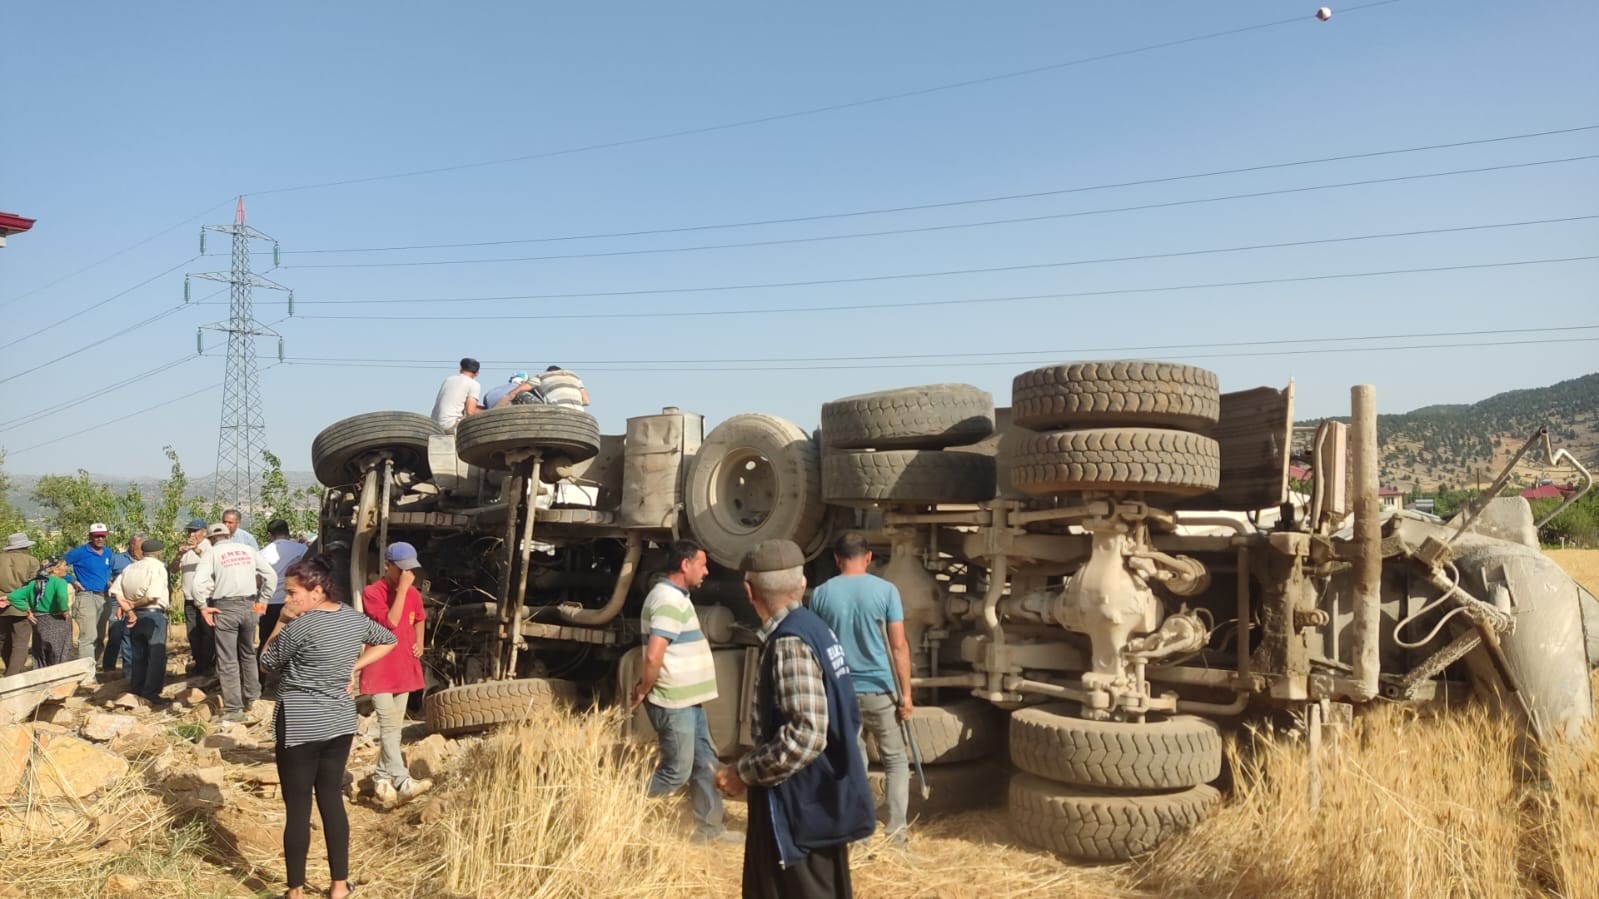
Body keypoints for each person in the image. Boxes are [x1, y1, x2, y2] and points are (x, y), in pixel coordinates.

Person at [715, 540, 875, 899]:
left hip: (799, 814)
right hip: (818, 807)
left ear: (749, 590)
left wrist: (743, 772)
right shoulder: (816, 630)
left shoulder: (790, 642)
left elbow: (807, 734)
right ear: (802, 585)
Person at [260, 555, 397, 899]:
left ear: (316, 590)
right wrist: (354, 667)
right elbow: (387, 640)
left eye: (292, 592)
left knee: (298, 808)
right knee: (332, 800)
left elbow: (266, 661)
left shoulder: (300, 627)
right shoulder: (353, 618)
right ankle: (339, 885)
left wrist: (280, 621)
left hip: (300, 725)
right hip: (339, 722)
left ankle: (295, 890)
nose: (289, 599)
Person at [808, 531, 914, 847]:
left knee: (853, 764)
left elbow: (815, 645)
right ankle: (897, 835)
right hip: (882, 690)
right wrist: (906, 695)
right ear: (868, 557)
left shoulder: (821, 594)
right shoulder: (887, 591)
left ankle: (858, 837)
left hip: (841, 693)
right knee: (895, 761)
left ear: (837, 559)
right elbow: (899, 647)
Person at [628, 539, 732, 843]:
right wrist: (644, 688)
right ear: (685, 565)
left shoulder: (676, 596)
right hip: (674, 702)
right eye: (702, 563)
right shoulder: (667, 601)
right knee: (677, 771)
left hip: (688, 700)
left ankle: (710, 831)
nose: (706, 570)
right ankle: (618, 807)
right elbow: (653, 655)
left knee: (706, 764)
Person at [358, 542, 431, 807]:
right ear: (387, 566)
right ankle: (402, 781)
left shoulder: (412, 593)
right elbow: (389, 623)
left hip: (403, 666)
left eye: (410, 570)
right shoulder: (372, 592)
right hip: (379, 668)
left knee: (394, 728)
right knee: (388, 726)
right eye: (402, 570)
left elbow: (419, 617)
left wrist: (420, 642)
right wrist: (401, 591)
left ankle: (380, 778)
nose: (407, 575)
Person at [194, 522, 276, 722]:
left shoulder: (212, 554)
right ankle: (253, 699)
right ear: (229, 535)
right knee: (248, 653)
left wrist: (203, 607)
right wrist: (262, 603)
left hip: (225, 607)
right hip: (249, 605)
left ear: (212, 539)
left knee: (227, 659)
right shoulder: (247, 550)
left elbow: (198, 584)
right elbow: (271, 576)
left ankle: (233, 709)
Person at [109, 538, 171, 703]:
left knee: (139, 654)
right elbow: (152, 596)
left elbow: (116, 591)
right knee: (156, 653)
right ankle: (151, 692)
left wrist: (129, 609)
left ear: (143, 552)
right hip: (153, 614)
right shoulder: (158, 567)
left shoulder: (129, 567)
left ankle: (137, 688)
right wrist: (134, 604)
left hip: (134, 616)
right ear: (159, 553)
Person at [63, 523, 114, 664]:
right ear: (90, 536)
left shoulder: (108, 553)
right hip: (86, 596)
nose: (99, 539)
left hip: (104, 596)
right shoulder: (79, 552)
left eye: (102, 536)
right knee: (88, 636)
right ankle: (86, 675)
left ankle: (93, 666)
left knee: (100, 636)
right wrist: (71, 580)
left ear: (106, 536)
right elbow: (58, 565)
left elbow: (108, 571)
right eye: (96, 536)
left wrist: (109, 581)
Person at [171, 519, 217, 676]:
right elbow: (173, 569)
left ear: (204, 532)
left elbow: (214, 562)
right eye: (189, 531)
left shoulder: (209, 547)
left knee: (208, 633)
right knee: (193, 633)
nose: (191, 534)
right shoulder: (186, 550)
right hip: (189, 598)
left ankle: (209, 665)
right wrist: (179, 555)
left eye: (195, 531)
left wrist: (196, 549)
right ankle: (199, 664)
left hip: (206, 597)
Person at [9, 557, 73, 671]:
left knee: (41, 652)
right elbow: (62, 596)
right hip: (57, 620)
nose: (66, 568)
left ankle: (42, 677)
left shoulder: (33, 583)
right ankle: (59, 677)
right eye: (64, 565)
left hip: (39, 621)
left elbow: (13, 597)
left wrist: (27, 611)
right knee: (60, 652)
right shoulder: (59, 582)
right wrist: (64, 610)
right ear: (55, 569)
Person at [260, 519, 309, 645]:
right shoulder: (302, 549)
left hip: (268, 603)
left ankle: (264, 662)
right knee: (290, 640)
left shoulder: (262, 553)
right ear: (288, 532)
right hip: (293, 601)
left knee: (267, 639)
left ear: (270, 535)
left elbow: (257, 581)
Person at [103, 533, 144, 674]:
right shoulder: (117, 559)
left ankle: (133, 668)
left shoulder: (146, 561)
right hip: (117, 603)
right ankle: (109, 667)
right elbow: (105, 576)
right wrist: (112, 586)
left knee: (135, 635)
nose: (135, 549)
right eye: (133, 545)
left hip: (137, 603)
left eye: (138, 547)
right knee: (115, 633)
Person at [1, 533, 41, 677]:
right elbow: (33, 586)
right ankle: (12, 675)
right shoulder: (32, 561)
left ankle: (12, 668)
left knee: (3, 640)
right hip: (21, 605)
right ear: (25, 546)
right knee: (20, 642)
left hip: (1, 604)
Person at [430, 357, 484, 433]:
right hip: (450, 425)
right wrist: (489, 412)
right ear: (477, 373)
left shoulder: (448, 379)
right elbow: (470, 412)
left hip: (434, 425)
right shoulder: (474, 384)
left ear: (461, 368)